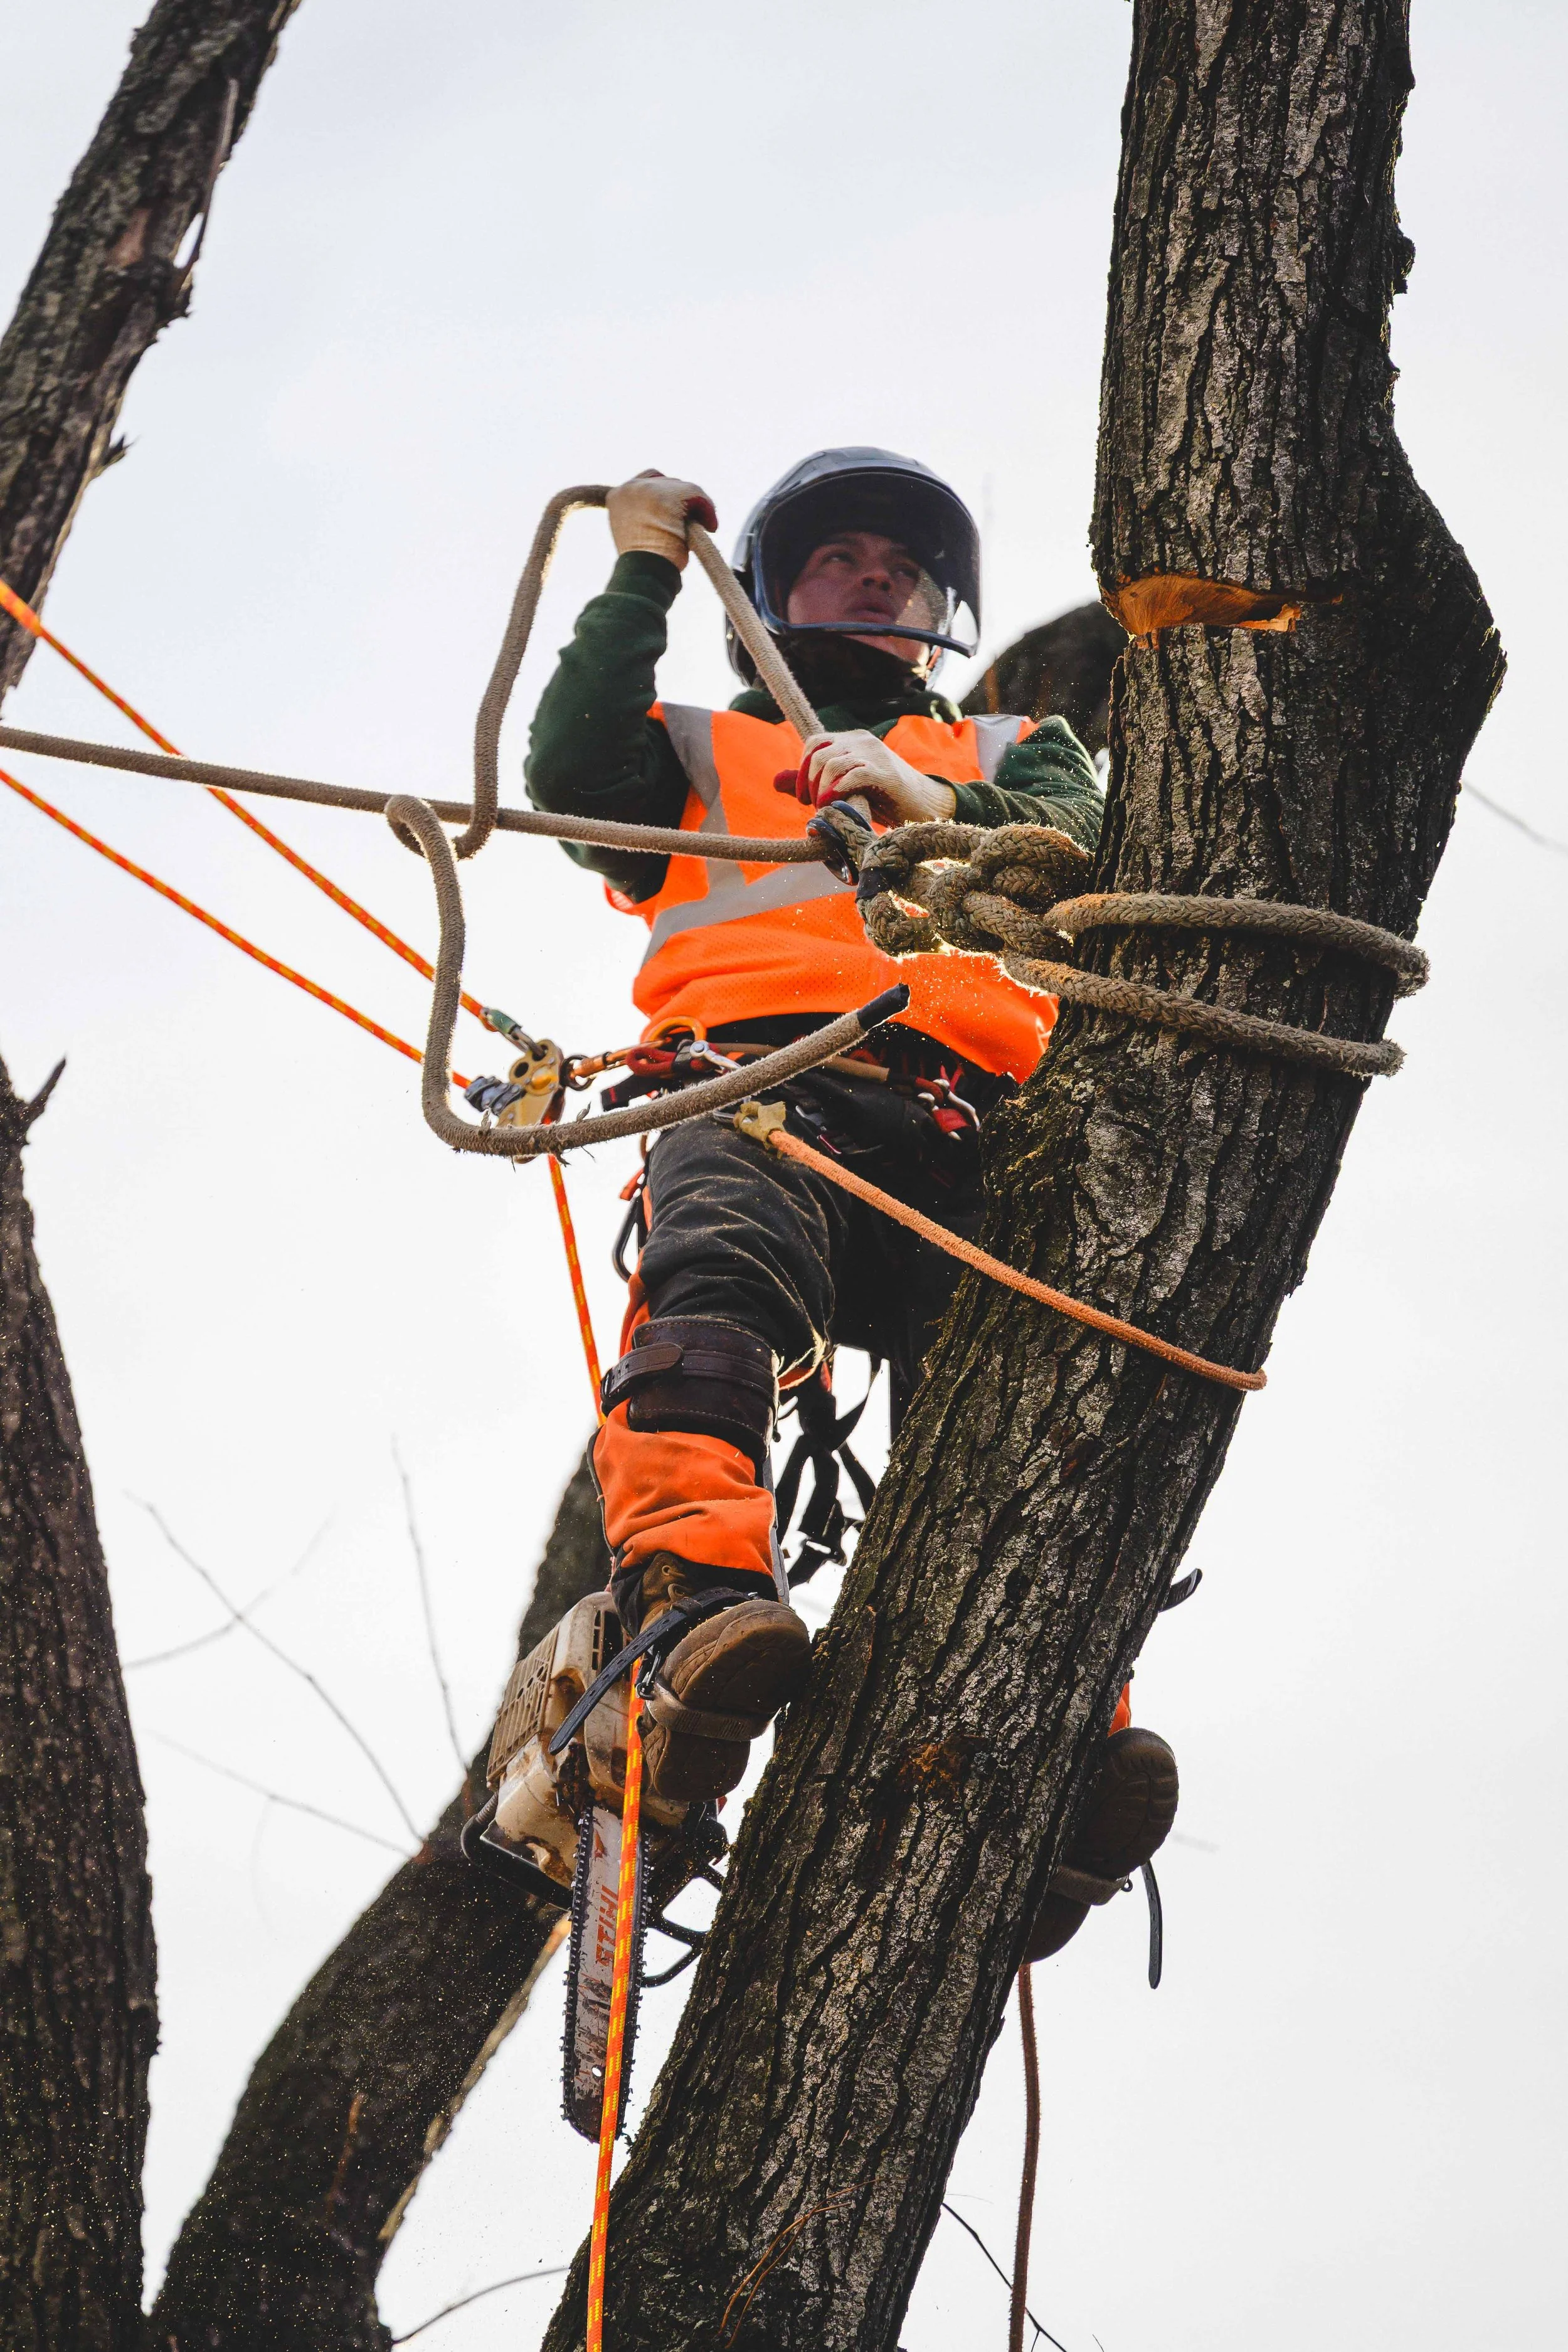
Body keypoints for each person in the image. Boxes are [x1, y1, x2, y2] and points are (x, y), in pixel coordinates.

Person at [526, 448, 1175, 1958]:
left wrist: (934, 796)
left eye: (899, 562)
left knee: (1045, 1404)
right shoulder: (696, 745)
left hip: (978, 1120)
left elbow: (1087, 860)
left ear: (941, 606)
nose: (872, 572)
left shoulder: (1020, 742)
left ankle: (1071, 1728)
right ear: (767, 594)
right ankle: (695, 1611)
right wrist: (634, 568)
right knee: (714, 1291)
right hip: (765, 1085)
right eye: (837, 556)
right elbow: (570, 768)